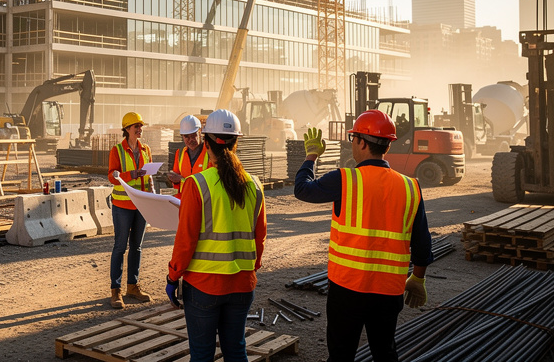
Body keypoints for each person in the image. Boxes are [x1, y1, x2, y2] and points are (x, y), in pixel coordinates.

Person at [294, 110, 433, 362]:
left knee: (341, 354)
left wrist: (311, 156)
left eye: (353, 139)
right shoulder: (410, 186)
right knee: (384, 352)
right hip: (389, 291)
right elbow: (422, 242)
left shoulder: (345, 179)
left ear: (361, 142)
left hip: (347, 288)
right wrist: (418, 279)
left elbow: (303, 189)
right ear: (388, 145)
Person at [165, 110, 266, 362]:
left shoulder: (196, 185)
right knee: (236, 350)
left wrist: (172, 275)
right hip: (243, 285)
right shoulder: (255, 185)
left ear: (206, 143)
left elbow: (185, 241)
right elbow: (259, 238)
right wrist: (250, 269)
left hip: (203, 287)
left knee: (201, 354)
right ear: (236, 142)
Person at [108, 111, 154, 309]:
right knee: (120, 247)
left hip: (141, 205)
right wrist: (129, 174)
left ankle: (132, 287)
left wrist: (152, 193)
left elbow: (149, 174)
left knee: (137, 247)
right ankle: (115, 291)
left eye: (140, 126)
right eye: (136, 126)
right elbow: (112, 176)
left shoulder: (146, 149)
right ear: (127, 129)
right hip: (122, 206)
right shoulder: (117, 150)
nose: (140, 129)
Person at [168, 115, 208, 199]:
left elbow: (210, 183)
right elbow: (176, 185)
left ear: (200, 132)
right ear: (182, 136)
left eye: (193, 135)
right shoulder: (180, 154)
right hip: (185, 201)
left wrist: (181, 179)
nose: (190, 140)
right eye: (186, 137)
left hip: (203, 202)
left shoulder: (209, 154)